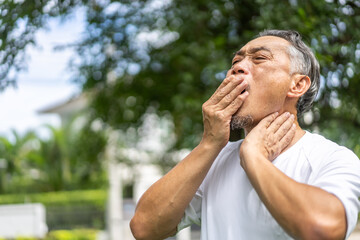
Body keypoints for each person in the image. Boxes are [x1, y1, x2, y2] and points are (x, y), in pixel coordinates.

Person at [130, 30, 360, 240]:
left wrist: (253, 157)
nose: (237, 68)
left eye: (259, 58)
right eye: (236, 62)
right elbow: (144, 228)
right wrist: (209, 143)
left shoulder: (331, 158)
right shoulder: (215, 159)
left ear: (297, 85)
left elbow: (323, 230)